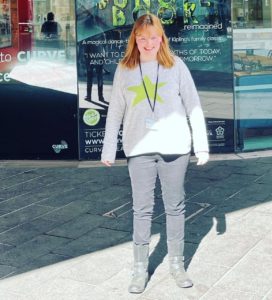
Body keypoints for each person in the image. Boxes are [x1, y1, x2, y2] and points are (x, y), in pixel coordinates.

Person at [101, 13, 209, 294]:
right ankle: (139, 269)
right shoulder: (124, 69)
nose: (148, 43)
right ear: (134, 39)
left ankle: (177, 264)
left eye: (153, 37)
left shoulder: (176, 66)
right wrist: (109, 147)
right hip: (139, 150)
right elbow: (114, 113)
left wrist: (202, 145)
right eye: (142, 37)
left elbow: (194, 107)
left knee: (175, 207)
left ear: (161, 38)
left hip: (175, 148)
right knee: (141, 209)